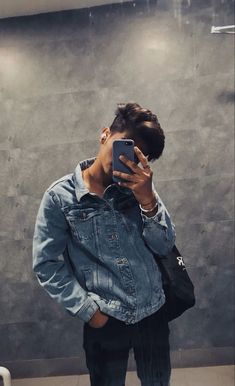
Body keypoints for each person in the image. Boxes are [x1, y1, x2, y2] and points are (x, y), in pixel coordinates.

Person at [32, 102, 176, 386]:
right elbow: (46, 264)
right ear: (105, 134)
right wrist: (89, 311)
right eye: (125, 146)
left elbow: (164, 246)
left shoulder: (139, 187)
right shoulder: (61, 197)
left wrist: (147, 199)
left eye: (137, 156)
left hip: (152, 311)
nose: (127, 161)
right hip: (105, 316)